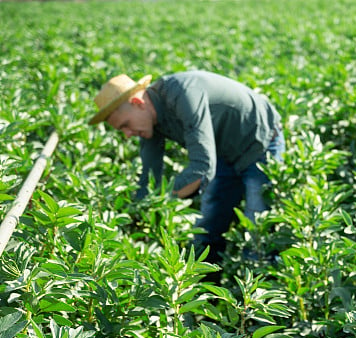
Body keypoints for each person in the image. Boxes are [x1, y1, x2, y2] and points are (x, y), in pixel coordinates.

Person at [89, 70, 285, 277]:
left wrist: (161, 201)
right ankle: (203, 296)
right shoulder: (148, 121)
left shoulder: (182, 94)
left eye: (125, 125)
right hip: (223, 154)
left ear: (138, 103)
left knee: (257, 231)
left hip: (259, 143)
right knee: (208, 228)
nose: (127, 134)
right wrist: (131, 216)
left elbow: (201, 169)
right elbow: (149, 180)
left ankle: (257, 299)